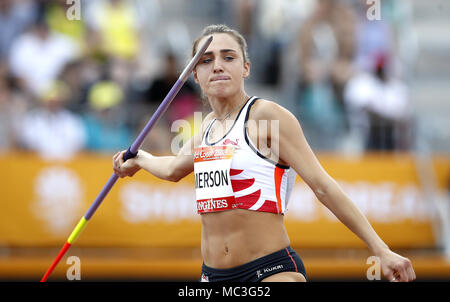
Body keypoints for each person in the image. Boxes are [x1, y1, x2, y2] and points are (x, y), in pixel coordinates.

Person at [112, 24, 416, 282]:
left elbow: (323, 186)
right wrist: (139, 159)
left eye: (228, 57)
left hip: (268, 271)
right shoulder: (205, 128)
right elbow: (175, 167)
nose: (217, 65)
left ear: (245, 68)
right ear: (195, 76)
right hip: (213, 277)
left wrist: (380, 249)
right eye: (205, 60)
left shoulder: (267, 117)